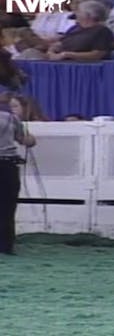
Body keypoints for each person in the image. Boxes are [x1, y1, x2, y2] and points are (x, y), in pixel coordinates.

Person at [0, 92, 36, 255]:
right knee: (7, 208)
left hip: (7, 164)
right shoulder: (9, 118)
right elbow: (25, 140)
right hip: (7, 165)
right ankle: (5, 246)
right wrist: (30, 139)